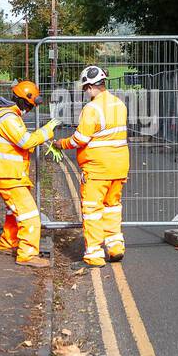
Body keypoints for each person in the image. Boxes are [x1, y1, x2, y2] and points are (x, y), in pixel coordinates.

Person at [57, 65, 129, 266]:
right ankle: (115, 248)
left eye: (84, 88)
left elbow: (80, 139)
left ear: (89, 86)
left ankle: (94, 256)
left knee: (92, 211)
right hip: (119, 166)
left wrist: (61, 144)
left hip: (97, 169)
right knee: (112, 208)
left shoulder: (92, 108)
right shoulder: (119, 104)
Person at [0, 80, 61, 268]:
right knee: (30, 215)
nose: (30, 109)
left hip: (7, 174)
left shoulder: (8, 115)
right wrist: (47, 131)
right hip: (8, 176)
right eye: (29, 105)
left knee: (13, 213)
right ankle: (27, 255)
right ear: (22, 100)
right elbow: (25, 141)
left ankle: (7, 243)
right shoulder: (8, 117)